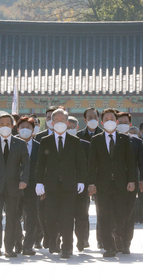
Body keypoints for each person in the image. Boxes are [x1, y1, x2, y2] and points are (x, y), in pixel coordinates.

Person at [35, 108, 87, 258]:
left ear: (67, 122)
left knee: (67, 217)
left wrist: (81, 181)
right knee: (51, 216)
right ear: (51, 123)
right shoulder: (45, 141)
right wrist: (39, 182)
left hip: (69, 186)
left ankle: (67, 247)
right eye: (56, 120)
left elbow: (81, 163)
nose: (59, 123)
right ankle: (53, 239)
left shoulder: (74, 141)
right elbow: (41, 164)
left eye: (62, 121)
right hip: (51, 186)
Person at [88, 109, 137, 257]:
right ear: (102, 122)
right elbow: (92, 163)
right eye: (106, 119)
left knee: (121, 215)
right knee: (103, 216)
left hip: (121, 184)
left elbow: (130, 162)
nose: (109, 121)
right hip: (102, 185)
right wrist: (91, 183)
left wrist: (131, 180)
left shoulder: (124, 139)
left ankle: (118, 234)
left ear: (116, 121)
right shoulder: (96, 139)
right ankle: (109, 247)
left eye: (112, 118)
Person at [0, 113, 30, 257]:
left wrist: (24, 180)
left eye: (8, 124)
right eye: (2, 124)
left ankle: (9, 247)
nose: (5, 127)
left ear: (13, 126)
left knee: (12, 217)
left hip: (14, 186)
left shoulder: (20, 143)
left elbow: (26, 164)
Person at [117, 112, 143, 253]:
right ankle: (116, 239)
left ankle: (126, 242)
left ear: (129, 124)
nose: (122, 124)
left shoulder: (136, 142)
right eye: (120, 122)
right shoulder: (109, 140)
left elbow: (142, 163)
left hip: (131, 183)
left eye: (125, 122)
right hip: (113, 183)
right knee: (115, 213)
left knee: (129, 214)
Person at [15, 117, 40, 255]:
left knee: (31, 217)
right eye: (22, 127)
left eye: (29, 127)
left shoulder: (39, 146)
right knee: (14, 216)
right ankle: (18, 242)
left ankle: (28, 245)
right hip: (15, 187)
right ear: (17, 129)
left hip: (33, 187)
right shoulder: (11, 144)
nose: (25, 129)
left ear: (33, 130)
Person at [68, 115, 92, 251]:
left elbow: (91, 166)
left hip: (82, 185)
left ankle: (82, 240)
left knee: (82, 215)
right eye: (67, 127)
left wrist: (89, 183)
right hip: (64, 186)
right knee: (66, 216)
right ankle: (67, 240)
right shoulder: (59, 144)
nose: (70, 129)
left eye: (72, 127)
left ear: (77, 128)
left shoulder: (86, 145)